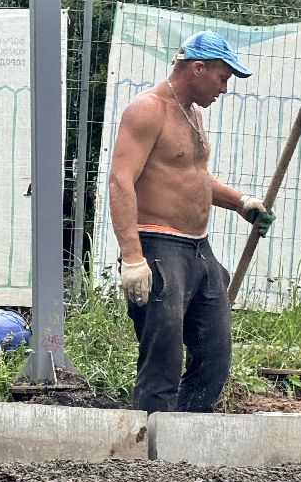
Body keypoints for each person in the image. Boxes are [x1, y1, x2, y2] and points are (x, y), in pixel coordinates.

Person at [107, 31, 275, 413]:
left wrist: (241, 203)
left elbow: (192, 177)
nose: (224, 89)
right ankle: (150, 438)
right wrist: (132, 257)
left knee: (215, 353)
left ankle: (186, 432)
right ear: (197, 69)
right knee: (163, 359)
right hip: (158, 247)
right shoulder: (148, 109)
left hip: (198, 249)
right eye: (222, 78)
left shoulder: (193, 114)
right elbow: (120, 181)